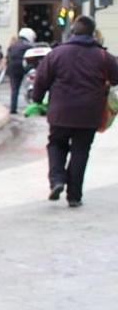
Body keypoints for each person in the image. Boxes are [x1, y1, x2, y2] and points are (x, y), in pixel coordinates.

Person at [33, 15, 118, 207]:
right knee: (81, 151)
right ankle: (74, 196)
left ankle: (57, 180)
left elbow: (41, 79)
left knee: (56, 144)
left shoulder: (56, 54)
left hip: (60, 112)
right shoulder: (103, 56)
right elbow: (116, 77)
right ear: (93, 34)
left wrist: (37, 99)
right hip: (89, 113)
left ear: (73, 32)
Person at [7, 28, 35, 114]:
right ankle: (33, 105)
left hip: (12, 68)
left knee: (14, 89)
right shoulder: (28, 45)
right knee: (31, 85)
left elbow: (8, 56)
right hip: (24, 68)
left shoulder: (13, 45)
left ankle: (13, 108)